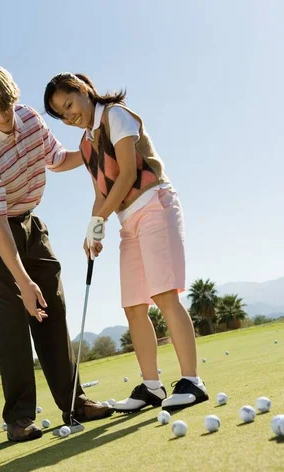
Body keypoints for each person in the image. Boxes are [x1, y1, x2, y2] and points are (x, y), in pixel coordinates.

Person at [0, 65, 113, 442]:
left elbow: (58, 160)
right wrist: (24, 282)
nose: (2, 118)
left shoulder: (28, 118)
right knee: (15, 309)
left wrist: (93, 142)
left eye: (5, 107)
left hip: (29, 222)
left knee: (53, 306)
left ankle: (74, 402)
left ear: (14, 98)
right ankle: (18, 419)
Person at [44, 72, 209, 412]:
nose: (69, 115)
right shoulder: (87, 144)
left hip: (154, 206)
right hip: (127, 222)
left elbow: (129, 174)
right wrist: (93, 230)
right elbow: (101, 193)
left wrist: (99, 220)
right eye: (61, 113)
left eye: (69, 103)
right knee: (134, 306)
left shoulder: (115, 114)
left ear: (85, 90)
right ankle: (152, 387)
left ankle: (192, 381)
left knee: (164, 295)